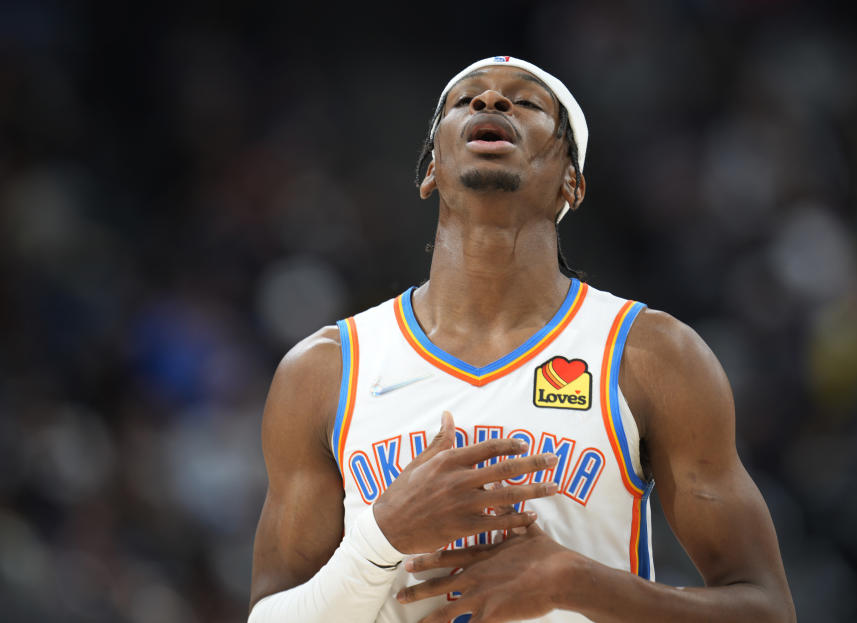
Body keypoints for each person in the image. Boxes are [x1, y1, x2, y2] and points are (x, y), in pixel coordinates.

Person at [247, 56, 796, 623]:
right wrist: (380, 540)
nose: (491, 102)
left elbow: (768, 611)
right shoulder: (326, 370)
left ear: (572, 181)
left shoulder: (649, 355)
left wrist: (576, 582)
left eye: (527, 102)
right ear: (432, 167)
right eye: (466, 100)